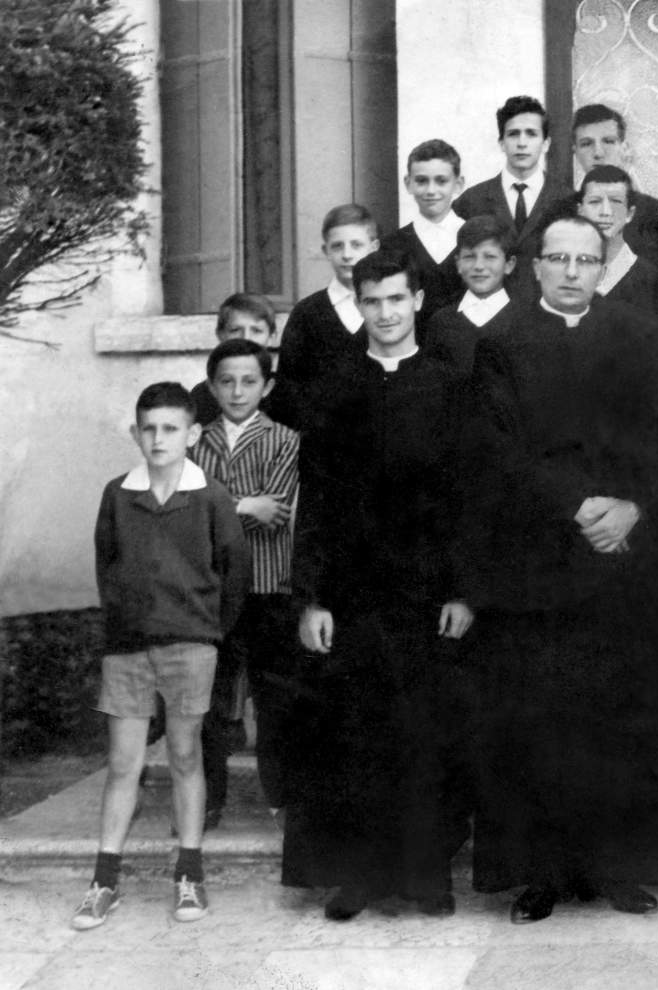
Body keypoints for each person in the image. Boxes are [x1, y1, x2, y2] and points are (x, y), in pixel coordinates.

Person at [465, 215, 658, 923]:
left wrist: (633, 507)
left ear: (606, 266)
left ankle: (618, 868)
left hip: (626, 564)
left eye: (586, 260)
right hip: (537, 567)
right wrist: (577, 505)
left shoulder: (647, 339)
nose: (572, 271)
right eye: (558, 259)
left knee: (618, 719)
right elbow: (495, 452)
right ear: (532, 265)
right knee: (541, 724)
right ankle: (543, 874)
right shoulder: (500, 345)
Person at [286, 248, 476, 921]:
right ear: (358, 305)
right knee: (356, 735)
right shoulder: (334, 387)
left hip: (428, 593)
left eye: (398, 299)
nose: (387, 313)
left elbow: (464, 497)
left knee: (428, 736)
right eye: (374, 302)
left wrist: (462, 589)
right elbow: (317, 499)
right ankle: (359, 875)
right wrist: (311, 596)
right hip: (355, 590)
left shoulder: (451, 385)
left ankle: (427, 873)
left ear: (418, 300)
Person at [74, 382, 249, 930]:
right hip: (127, 648)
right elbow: (108, 564)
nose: (158, 438)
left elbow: (234, 572)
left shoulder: (212, 497)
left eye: (170, 428)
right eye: (148, 428)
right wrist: (126, 622)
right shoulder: (117, 495)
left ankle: (189, 873)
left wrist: (206, 631)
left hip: (191, 646)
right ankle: (105, 880)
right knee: (123, 764)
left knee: (185, 756)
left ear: (193, 434)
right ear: (135, 432)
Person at [188, 339, 299, 832]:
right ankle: (207, 800)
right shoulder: (194, 443)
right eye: (227, 381)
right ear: (212, 387)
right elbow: (186, 516)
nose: (237, 391)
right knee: (209, 698)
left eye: (249, 381)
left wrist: (218, 508)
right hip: (209, 592)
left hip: (268, 587)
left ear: (267, 386)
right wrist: (241, 505)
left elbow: (274, 512)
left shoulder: (286, 441)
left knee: (273, 700)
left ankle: (283, 798)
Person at [453, 95, 574, 299]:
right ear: (501, 142)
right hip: (489, 317)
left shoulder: (567, 201)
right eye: (513, 134)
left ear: (546, 143)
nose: (521, 143)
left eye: (531, 134)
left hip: (546, 315)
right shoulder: (471, 201)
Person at [275, 203, 380, 430]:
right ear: (326, 251)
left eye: (356, 245)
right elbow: (289, 388)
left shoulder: (387, 310)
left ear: (374, 247)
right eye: (337, 246)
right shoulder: (306, 314)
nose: (347, 254)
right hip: (322, 442)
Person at [571, 103, 658, 280]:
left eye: (608, 141)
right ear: (575, 151)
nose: (598, 153)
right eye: (586, 143)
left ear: (624, 147)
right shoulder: (561, 211)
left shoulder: (655, 214)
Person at [380, 139, 467, 321]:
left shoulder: (473, 239)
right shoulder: (391, 245)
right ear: (408, 183)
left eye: (441, 181)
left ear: (458, 184)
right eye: (421, 181)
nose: (431, 190)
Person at [421, 215, 518, 374]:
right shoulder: (441, 322)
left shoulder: (524, 320)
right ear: (458, 263)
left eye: (490, 257)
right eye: (469, 257)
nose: (479, 266)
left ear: (509, 264)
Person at [576, 164, 658, 313]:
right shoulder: (563, 272)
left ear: (630, 213)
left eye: (616, 201)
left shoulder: (650, 280)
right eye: (595, 201)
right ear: (580, 210)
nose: (605, 212)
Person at [189, 293, 279, 426]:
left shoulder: (283, 391)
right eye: (235, 330)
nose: (246, 338)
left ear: (272, 337)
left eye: (256, 331)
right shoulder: (203, 396)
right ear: (220, 334)